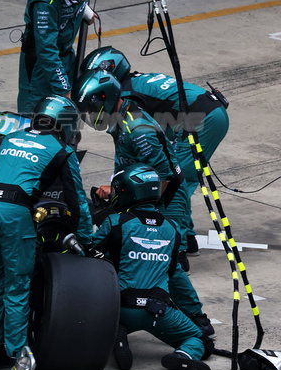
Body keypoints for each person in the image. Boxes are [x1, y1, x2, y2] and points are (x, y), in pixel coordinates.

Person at [74, 70, 210, 335]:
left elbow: (164, 178)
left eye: (92, 110)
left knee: (168, 262)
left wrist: (138, 208)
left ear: (106, 99)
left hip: (162, 198)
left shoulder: (138, 131)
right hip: (140, 193)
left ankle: (195, 317)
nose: (91, 118)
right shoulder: (120, 118)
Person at [0, 95, 92, 370]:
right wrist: (87, 239)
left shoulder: (9, 138)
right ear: (64, 123)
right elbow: (77, 201)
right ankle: (17, 354)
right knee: (17, 283)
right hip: (15, 213)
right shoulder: (61, 151)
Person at [81, 46, 229, 256]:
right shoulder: (132, 82)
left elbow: (142, 145)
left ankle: (178, 238)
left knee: (173, 177)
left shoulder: (124, 95)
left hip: (203, 118)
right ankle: (186, 236)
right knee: (169, 171)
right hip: (203, 112)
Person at [87, 164, 212, 370]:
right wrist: (196, 314)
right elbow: (176, 276)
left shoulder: (115, 222)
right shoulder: (172, 228)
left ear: (127, 192)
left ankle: (116, 331)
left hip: (119, 307)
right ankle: (183, 355)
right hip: (157, 311)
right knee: (200, 340)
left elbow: (89, 257)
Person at [16, 0, 97, 115]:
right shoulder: (44, 1)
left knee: (66, 117)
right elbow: (46, 50)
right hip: (40, 67)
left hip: (67, 57)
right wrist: (63, 88)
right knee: (35, 117)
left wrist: (83, 7)